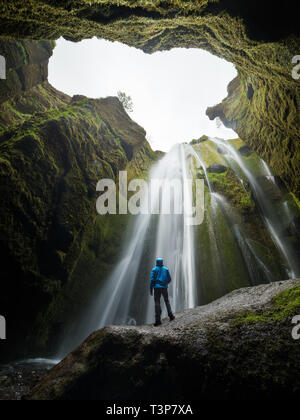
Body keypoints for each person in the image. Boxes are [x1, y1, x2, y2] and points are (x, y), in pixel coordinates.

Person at [150, 258, 175, 327]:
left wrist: (151, 289)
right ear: (162, 262)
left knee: (157, 302)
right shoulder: (166, 269)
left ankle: (158, 320)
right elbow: (169, 279)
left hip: (157, 288)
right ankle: (171, 315)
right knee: (167, 301)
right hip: (164, 288)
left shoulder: (154, 270)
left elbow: (152, 280)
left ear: (156, 262)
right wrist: (165, 283)